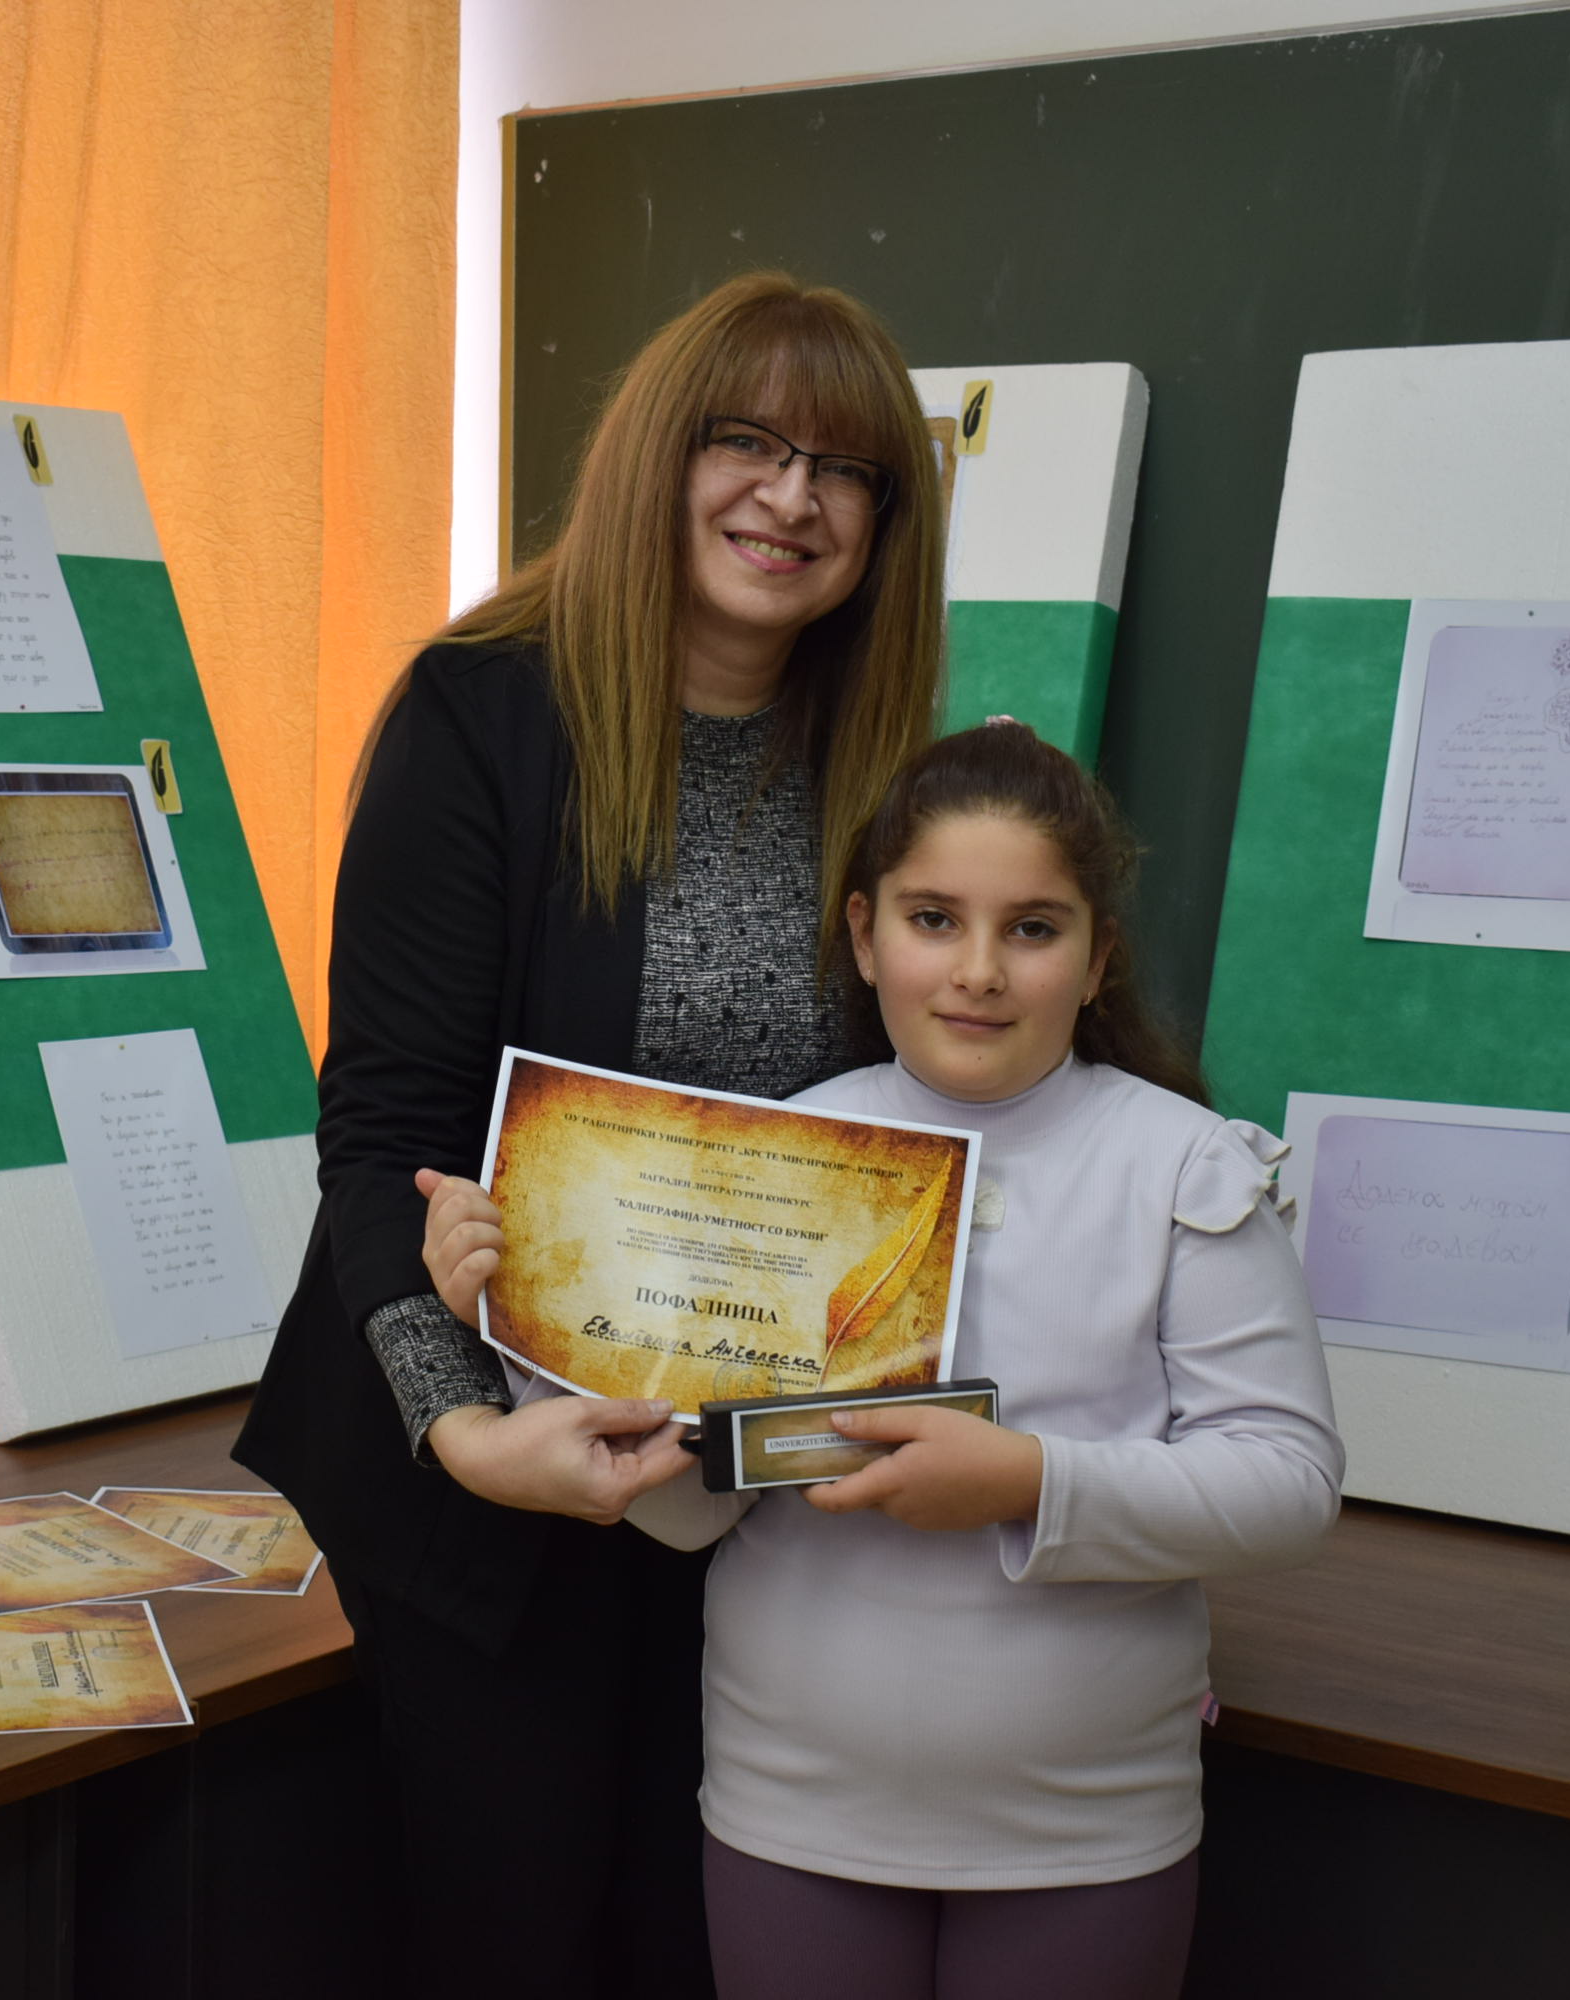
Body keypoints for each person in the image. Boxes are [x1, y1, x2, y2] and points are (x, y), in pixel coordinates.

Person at [234, 272, 947, 1999]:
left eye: (844, 469)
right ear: (659, 454)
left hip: (749, 1492)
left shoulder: (879, 762)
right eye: (747, 442)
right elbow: (380, 1139)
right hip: (498, 1483)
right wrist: (463, 1433)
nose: (791, 497)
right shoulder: (481, 715)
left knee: (694, 1945)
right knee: (521, 1937)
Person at [440, 722, 1345, 2000]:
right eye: (933, 919)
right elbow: (698, 1508)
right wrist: (531, 1328)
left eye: (1033, 928)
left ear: (1098, 959)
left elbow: (1288, 1484)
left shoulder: (1184, 1167)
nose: (978, 970)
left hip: (1085, 1823)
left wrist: (1025, 1479)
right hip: (790, 1808)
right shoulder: (779, 1154)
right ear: (865, 936)